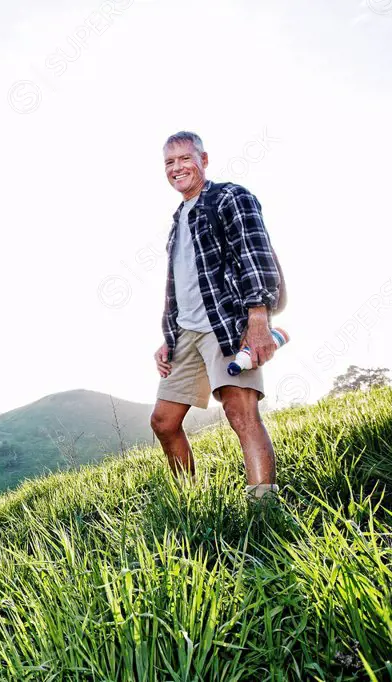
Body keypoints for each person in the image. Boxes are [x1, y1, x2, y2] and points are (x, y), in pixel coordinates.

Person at [150, 131, 282, 499]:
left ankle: (264, 510)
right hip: (186, 334)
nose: (177, 168)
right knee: (163, 422)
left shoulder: (229, 197)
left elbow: (255, 255)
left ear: (203, 161)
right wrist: (169, 337)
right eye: (169, 163)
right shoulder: (179, 218)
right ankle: (191, 502)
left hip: (225, 326)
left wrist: (258, 322)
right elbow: (184, 284)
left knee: (241, 414)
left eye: (184, 159)